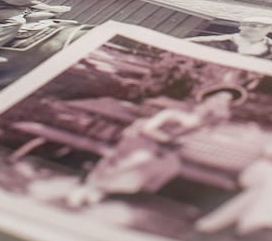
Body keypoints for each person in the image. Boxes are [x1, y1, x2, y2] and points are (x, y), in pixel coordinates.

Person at [65, 86, 246, 209]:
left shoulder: (206, 122)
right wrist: (165, 140)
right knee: (141, 158)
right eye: (219, 98)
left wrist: (173, 145)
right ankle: (93, 186)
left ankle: (108, 190)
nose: (221, 103)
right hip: (144, 138)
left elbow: (185, 140)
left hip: (163, 147)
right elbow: (148, 128)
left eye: (226, 101)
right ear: (207, 98)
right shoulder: (179, 111)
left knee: (169, 166)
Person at [190, 17, 272, 61]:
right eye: (252, 25)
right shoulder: (214, 41)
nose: (256, 29)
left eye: (263, 26)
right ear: (241, 26)